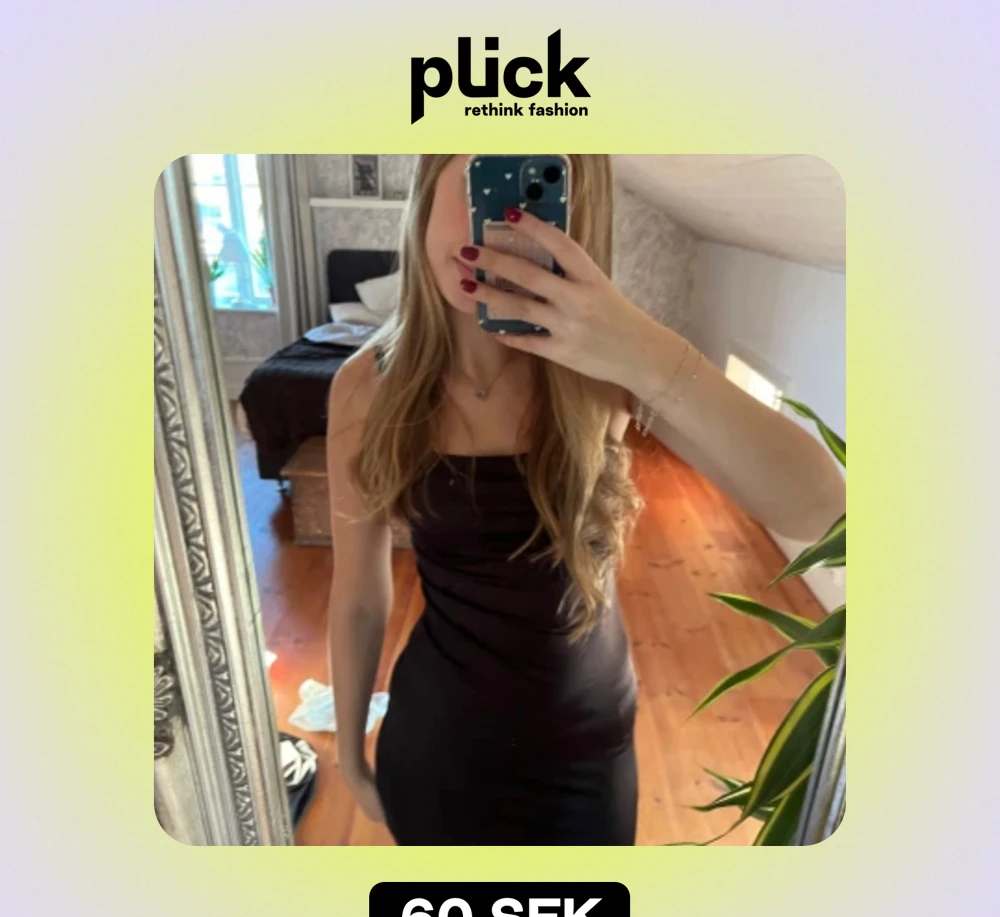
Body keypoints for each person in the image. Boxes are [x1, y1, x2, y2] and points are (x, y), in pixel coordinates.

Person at [324, 154, 846, 846]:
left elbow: (817, 509)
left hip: (586, 751)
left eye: (533, 191)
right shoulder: (369, 388)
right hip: (439, 750)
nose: (502, 224)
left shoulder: (607, 372)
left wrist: (646, 353)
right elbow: (359, 597)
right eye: (483, 178)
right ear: (428, 182)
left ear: (576, 210)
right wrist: (350, 755)